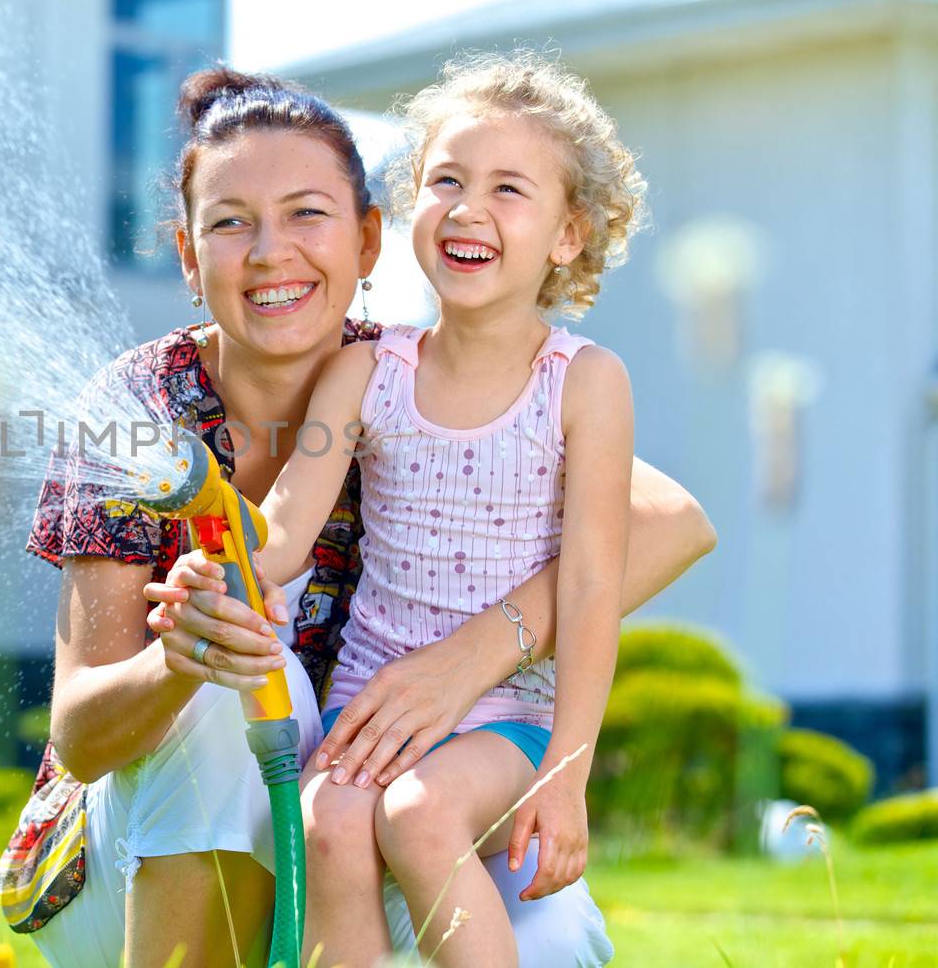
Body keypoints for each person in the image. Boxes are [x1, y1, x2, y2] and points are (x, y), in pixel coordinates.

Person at [9, 64, 714, 968]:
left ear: (367, 238)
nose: (270, 253)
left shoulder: (451, 376)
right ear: (188, 255)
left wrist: (471, 657)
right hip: (141, 860)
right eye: (230, 223)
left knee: (550, 935)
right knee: (243, 687)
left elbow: (672, 520)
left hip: (415, 767)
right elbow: (80, 732)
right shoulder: (139, 411)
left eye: (308, 212)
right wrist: (183, 648)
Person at [160, 49, 646, 967]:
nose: (468, 208)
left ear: (569, 235)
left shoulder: (584, 385)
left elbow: (588, 587)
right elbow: (284, 531)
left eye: (509, 189)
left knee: (419, 817)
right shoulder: (367, 371)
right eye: (445, 181)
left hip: (509, 719)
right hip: (368, 706)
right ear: (412, 206)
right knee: (327, 822)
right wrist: (219, 551)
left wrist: (570, 769)